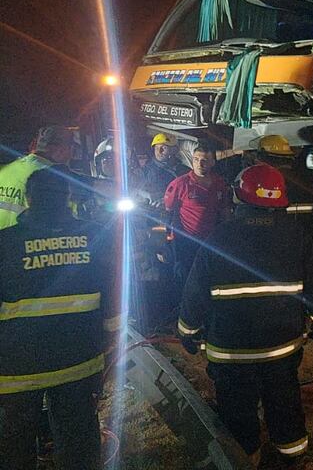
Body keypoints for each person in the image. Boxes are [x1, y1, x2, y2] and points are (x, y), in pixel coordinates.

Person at [177, 164, 313, 467]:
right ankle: (292, 455)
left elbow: (195, 292)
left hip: (231, 353)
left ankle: (245, 457)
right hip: (281, 349)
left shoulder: (218, 237)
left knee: (237, 413)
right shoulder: (297, 236)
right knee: (284, 402)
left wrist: (188, 331)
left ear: (238, 196)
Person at [0, 168, 120, 470]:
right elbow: (113, 292)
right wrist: (111, 338)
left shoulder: (5, 243)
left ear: (29, 199)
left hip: (18, 369)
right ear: (68, 198)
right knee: (78, 441)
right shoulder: (95, 235)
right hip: (79, 362)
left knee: (15, 444)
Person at [163, 143, 229, 291]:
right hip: (186, 242)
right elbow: (167, 212)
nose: (200, 164)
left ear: (212, 162)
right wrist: (167, 241)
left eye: (204, 160)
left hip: (210, 241)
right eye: (196, 159)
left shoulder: (219, 184)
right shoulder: (180, 184)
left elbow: (224, 211)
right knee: (184, 279)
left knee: (207, 279)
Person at [0, 126, 75, 230]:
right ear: (61, 150)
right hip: (30, 239)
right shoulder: (54, 178)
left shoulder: (5, 170)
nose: (71, 156)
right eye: (71, 150)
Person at [139, 133, 189, 207]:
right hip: (151, 208)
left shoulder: (184, 171)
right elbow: (134, 188)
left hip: (174, 209)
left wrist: (167, 198)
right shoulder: (146, 170)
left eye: (164, 148)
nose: (159, 151)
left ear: (174, 150)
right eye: (156, 148)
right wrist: (144, 194)